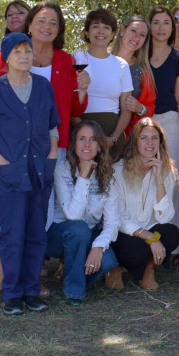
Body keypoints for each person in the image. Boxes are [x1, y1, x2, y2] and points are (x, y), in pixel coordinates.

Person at [0, 1, 87, 301]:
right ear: (29, 24)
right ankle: (3, 278)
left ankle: (30, 279)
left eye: (54, 22)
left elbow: (71, 110)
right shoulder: (10, 54)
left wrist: (83, 90)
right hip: (9, 152)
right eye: (41, 20)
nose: (47, 26)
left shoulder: (66, 61)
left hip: (49, 150)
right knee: (5, 216)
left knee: (39, 215)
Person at [0, 34, 60, 315]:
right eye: (17, 52)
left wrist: (52, 152)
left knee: (36, 234)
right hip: (7, 174)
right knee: (11, 235)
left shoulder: (44, 87)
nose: (23, 56)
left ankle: (31, 290)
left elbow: (52, 126)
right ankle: (11, 294)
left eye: (27, 51)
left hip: (39, 171)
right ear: (7, 57)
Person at [47, 121, 121, 304]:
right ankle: (74, 291)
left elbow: (112, 222)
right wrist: (84, 177)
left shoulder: (108, 176)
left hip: (89, 234)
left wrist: (97, 248)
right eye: (82, 139)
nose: (87, 145)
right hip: (60, 234)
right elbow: (73, 215)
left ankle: (73, 274)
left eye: (92, 140)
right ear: (74, 143)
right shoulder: (61, 170)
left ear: (99, 145)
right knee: (79, 228)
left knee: (107, 261)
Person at [112, 118, 179, 281]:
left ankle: (148, 268)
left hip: (151, 229)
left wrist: (159, 177)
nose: (149, 143)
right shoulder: (118, 171)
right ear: (134, 142)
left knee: (172, 234)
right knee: (136, 250)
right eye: (143, 138)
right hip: (125, 231)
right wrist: (151, 239)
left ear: (160, 142)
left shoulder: (166, 170)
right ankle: (116, 267)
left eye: (154, 138)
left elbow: (165, 218)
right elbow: (117, 218)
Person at [147, 5, 179, 227]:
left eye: (166, 23)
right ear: (149, 26)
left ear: (172, 27)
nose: (161, 27)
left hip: (170, 121)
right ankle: (146, 234)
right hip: (144, 123)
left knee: (172, 179)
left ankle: (175, 242)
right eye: (156, 22)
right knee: (145, 179)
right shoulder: (139, 55)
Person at [75, 8, 132, 154]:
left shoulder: (121, 65)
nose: (101, 32)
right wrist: (84, 135)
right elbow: (66, 103)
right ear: (86, 32)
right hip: (79, 133)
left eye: (106, 28)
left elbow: (126, 109)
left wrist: (112, 138)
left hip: (111, 134)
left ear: (113, 34)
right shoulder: (75, 59)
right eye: (95, 27)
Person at [113, 15, 155, 139]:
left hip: (128, 138)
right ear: (122, 30)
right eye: (133, 31)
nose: (136, 38)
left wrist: (139, 108)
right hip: (95, 130)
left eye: (142, 35)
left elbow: (150, 108)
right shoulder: (101, 58)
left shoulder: (143, 71)